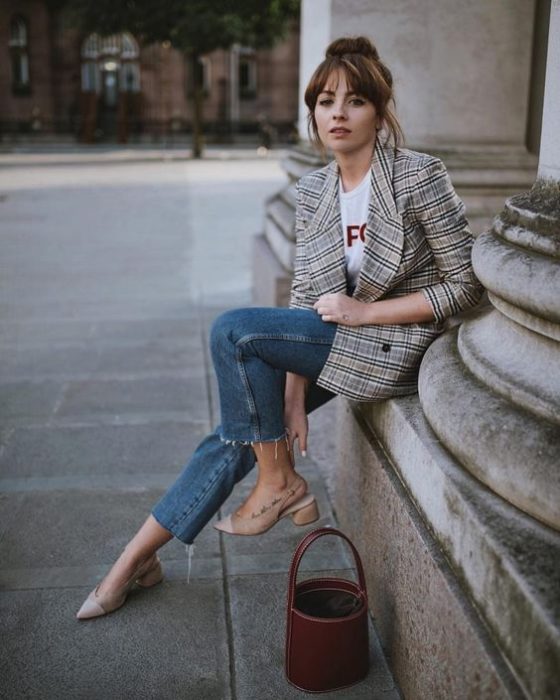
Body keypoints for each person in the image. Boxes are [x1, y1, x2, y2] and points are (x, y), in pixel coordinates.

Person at [76, 36, 483, 619]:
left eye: (355, 100)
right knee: (240, 431)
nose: (337, 114)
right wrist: (292, 393)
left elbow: (465, 284)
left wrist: (366, 311)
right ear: (312, 111)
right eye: (324, 101)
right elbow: (302, 298)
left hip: (394, 343)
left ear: (380, 111)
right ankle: (138, 558)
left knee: (234, 331)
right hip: (329, 342)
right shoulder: (315, 188)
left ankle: (279, 485)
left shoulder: (418, 177)